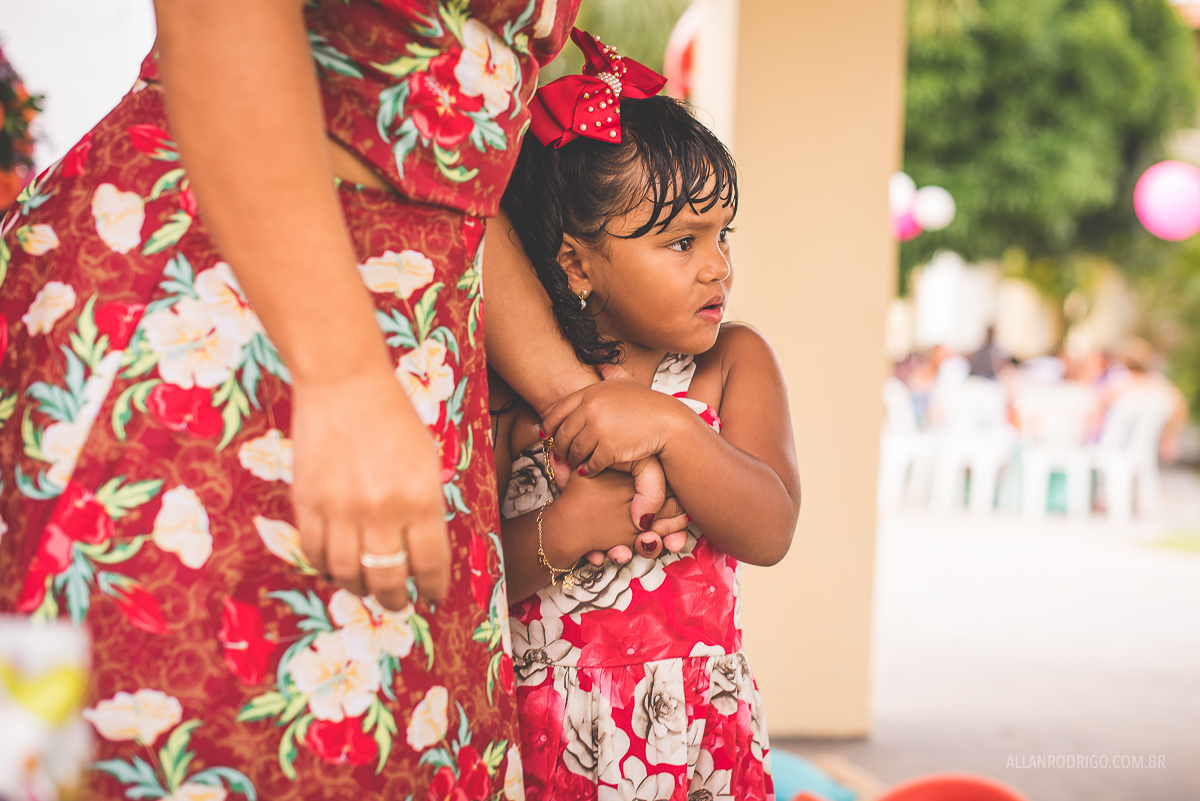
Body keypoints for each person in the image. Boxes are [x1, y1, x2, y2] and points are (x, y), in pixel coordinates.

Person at [0, 1, 672, 798]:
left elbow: (450, 184)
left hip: (411, 347)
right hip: (215, 312)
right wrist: (345, 374)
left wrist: (579, 400)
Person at [490, 31, 801, 799]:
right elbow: (481, 574)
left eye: (721, 233)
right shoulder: (516, 382)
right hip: (548, 727)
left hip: (693, 732)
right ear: (576, 263)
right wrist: (568, 528)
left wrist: (670, 427)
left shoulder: (732, 364)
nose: (718, 264)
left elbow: (770, 528)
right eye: (680, 240)